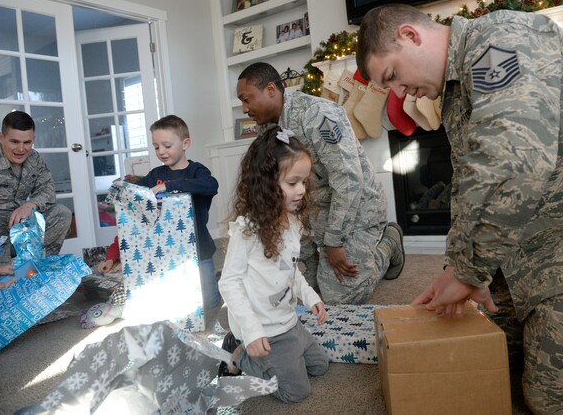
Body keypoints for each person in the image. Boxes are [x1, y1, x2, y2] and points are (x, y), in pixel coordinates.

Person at [356, 3, 563, 413]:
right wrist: (453, 266)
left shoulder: (500, 40)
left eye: (393, 76)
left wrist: (470, 271)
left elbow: (513, 163)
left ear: (410, 35)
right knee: (490, 351)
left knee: (559, 402)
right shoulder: (456, 89)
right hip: (542, 242)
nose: (400, 93)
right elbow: (469, 186)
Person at [236, 62, 405, 305]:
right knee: (311, 294)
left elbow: (348, 180)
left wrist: (334, 240)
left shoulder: (317, 114)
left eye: (246, 99)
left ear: (271, 90)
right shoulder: (267, 128)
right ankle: (318, 267)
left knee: (340, 297)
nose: (244, 109)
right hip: (314, 208)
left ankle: (389, 243)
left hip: (356, 210)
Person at [218, 125, 329, 403]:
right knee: (296, 392)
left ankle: (280, 355)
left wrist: (310, 297)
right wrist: (253, 332)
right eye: (293, 183)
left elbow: (291, 269)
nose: (302, 190)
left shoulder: (292, 222)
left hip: (288, 322)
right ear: (267, 184)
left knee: (320, 366)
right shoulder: (247, 230)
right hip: (265, 328)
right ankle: (240, 352)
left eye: (304, 182)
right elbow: (229, 282)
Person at [133, 115, 221, 312]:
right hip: (168, 247)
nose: (161, 152)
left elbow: (211, 185)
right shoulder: (156, 174)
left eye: (167, 145)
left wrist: (170, 186)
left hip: (199, 246)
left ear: (185, 143)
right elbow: (138, 190)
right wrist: (125, 188)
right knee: (180, 299)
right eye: (156, 147)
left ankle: (220, 282)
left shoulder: (197, 171)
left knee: (210, 302)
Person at [0, 111, 72, 264]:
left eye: (26, 142)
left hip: (23, 231)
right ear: (1, 138)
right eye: (14, 141)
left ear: (33, 140)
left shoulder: (35, 159)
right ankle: (7, 265)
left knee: (62, 213)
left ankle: (40, 263)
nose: (21, 149)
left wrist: (30, 204)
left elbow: (48, 189)